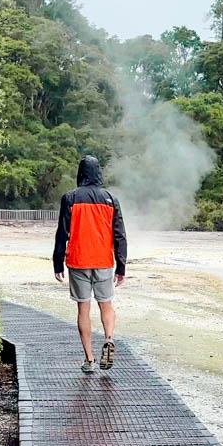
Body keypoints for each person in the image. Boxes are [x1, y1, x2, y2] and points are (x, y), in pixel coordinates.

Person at [53, 156, 127, 373]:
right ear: (99, 173)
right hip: (104, 261)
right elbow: (120, 236)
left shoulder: (70, 198)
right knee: (106, 304)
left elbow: (62, 234)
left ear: (81, 173)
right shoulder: (111, 199)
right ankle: (109, 338)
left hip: (78, 261)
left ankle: (90, 360)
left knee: (83, 309)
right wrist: (121, 267)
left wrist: (57, 263)